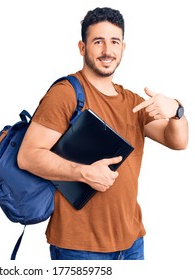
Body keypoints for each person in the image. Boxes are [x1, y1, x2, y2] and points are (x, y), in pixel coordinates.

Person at [17, 7, 188, 260]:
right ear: (82, 47)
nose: (107, 51)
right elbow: (28, 156)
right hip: (80, 247)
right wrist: (83, 172)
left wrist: (176, 110)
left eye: (114, 42)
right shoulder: (65, 93)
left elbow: (178, 141)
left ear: (123, 48)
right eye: (98, 41)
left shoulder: (133, 101)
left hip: (131, 242)